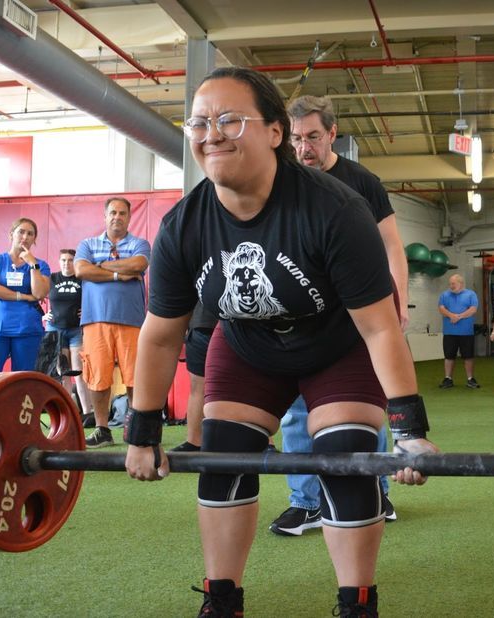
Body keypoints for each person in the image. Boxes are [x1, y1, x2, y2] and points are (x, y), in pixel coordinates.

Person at [123, 67, 437, 617]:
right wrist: (142, 430)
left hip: (338, 347)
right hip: (248, 348)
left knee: (346, 459)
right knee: (223, 456)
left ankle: (357, 602)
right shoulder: (183, 226)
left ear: (274, 132)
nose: (211, 133)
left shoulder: (335, 210)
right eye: (199, 122)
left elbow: (379, 325)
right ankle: (222, 600)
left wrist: (409, 430)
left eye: (229, 120)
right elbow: (158, 336)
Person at [267, 94, 408, 537]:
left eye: (312, 137)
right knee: (295, 411)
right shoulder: (279, 180)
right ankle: (307, 502)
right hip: (300, 315)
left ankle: (377, 491)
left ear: (332, 135)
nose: (304, 147)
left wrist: (397, 305)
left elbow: (392, 246)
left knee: (367, 406)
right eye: (295, 139)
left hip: (359, 312)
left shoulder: (361, 182)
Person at [74, 197, 150, 449]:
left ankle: (137, 430)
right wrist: (119, 274)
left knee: (135, 378)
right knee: (97, 377)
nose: (117, 217)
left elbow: (139, 264)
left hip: (132, 320)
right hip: (95, 320)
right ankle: (102, 429)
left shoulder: (140, 243)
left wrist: (101, 267)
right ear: (105, 216)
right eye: (112, 213)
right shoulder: (87, 243)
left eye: (122, 213)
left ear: (129, 217)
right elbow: (82, 271)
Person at [0, 218, 50, 378]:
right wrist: (22, 296)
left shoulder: (41, 265)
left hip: (27, 328)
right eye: (21, 232)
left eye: (30, 234)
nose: (25, 237)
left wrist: (32, 265)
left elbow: (39, 293)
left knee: (24, 379)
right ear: (11, 234)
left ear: (34, 239)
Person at [44, 249, 90, 416]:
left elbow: (93, 298)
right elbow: (36, 294)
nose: (66, 263)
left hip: (76, 329)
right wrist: (42, 313)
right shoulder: (52, 279)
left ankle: (87, 413)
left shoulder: (81, 279)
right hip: (56, 329)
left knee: (78, 371)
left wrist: (87, 311)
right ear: (59, 261)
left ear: (75, 262)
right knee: (62, 372)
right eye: (63, 260)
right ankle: (69, 411)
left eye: (70, 260)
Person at [170, 302, 216, 452]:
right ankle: (194, 441)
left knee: (198, 388)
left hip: (208, 323)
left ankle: (194, 441)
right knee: (198, 387)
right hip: (204, 324)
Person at [438, 273, 480, 389]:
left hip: (466, 332)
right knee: (449, 356)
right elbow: (441, 308)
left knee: (468, 356)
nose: (451, 286)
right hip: (449, 332)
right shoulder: (444, 295)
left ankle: (470, 379)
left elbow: (473, 309)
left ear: (461, 283)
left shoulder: (471, 294)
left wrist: (459, 316)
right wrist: (451, 315)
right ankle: (448, 379)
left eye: (453, 283)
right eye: (450, 283)